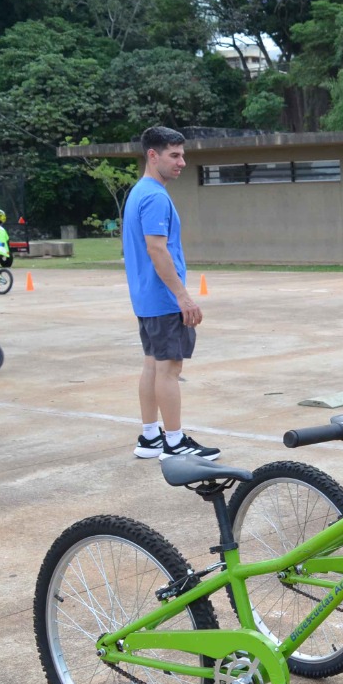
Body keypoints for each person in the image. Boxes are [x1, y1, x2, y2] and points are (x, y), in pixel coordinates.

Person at [123, 125, 218, 461]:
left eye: (182, 154)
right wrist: (183, 296)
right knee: (169, 369)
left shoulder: (139, 192)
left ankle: (150, 436)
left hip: (146, 298)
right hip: (163, 299)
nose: (182, 162)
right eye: (174, 155)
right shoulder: (155, 197)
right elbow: (157, 250)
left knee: (152, 365)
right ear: (153, 155)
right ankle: (175, 442)